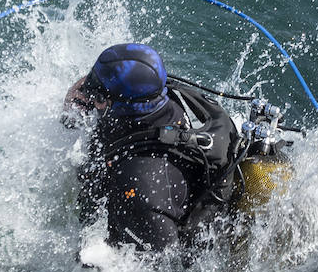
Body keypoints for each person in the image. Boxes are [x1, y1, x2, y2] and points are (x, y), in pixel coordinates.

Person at [64, 43, 241, 251]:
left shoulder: (138, 191)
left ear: (116, 103)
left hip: (158, 218)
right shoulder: (155, 99)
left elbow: (161, 271)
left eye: (98, 94)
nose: (87, 95)